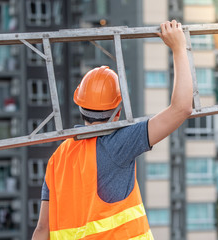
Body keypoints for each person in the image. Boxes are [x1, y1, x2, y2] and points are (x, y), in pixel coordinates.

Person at [32, 20, 192, 240]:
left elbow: (42, 229)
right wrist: (179, 48)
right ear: (118, 111)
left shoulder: (58, 159)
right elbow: (181, 108)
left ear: (80, 106)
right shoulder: (118, 145)